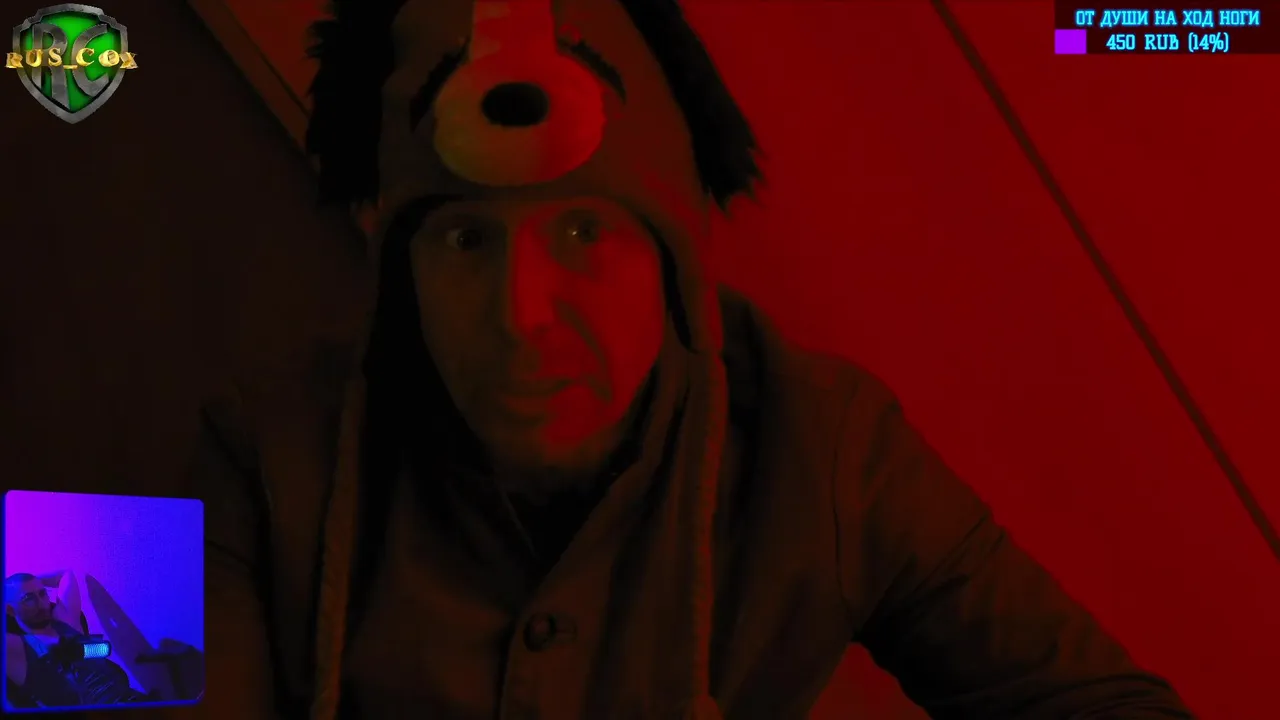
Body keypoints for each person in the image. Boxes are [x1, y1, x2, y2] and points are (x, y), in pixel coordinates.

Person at [192, 1, 1194, 718]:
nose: (521, 315)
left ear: (675, 262)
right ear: (400, 271)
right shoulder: (235, 439)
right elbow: (103, 673)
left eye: (583, 232)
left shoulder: (833, 442)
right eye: (463, 240)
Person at [4, 571, 147, 708]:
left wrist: (32, 582)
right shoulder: (16, 647)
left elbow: (65, 575)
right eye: (28, 599)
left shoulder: (65, 620)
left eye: (42, 594)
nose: (41, 603)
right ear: (9, 609)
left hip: (130, 699)